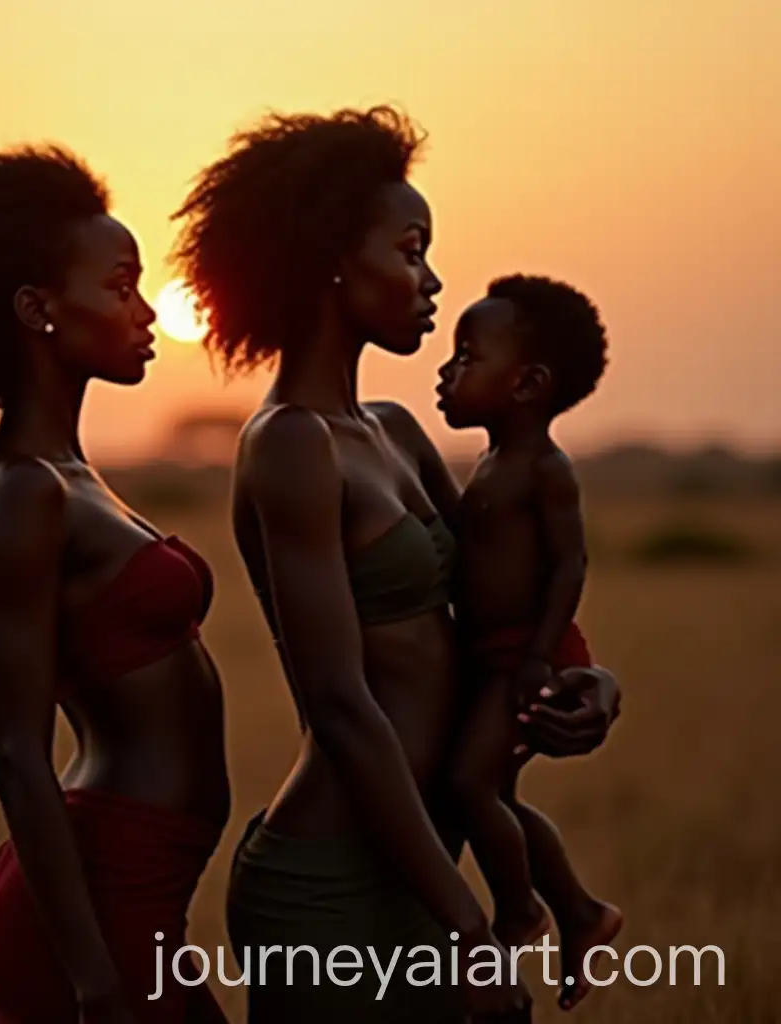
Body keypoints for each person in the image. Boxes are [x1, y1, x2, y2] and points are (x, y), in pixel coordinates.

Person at [170, 106, 622, 1022]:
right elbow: (340, 705)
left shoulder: (395, 433)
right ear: (335, 259)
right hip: (329, 886)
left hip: (423, 866)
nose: (433, 280)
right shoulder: (291, 445)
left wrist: (591, 680)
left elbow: (491, 607)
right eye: (411, 249)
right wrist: (468, 933)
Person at [0, 145, 230, 1024]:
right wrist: (92, 976)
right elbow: (15, 755)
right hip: (97, 908)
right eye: (119, 285)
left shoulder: (65, 470)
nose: (147, 311)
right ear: (37, 308)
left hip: (133, 888)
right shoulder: (26, 490)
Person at [437, 276, 623, 1010]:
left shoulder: (545, 469)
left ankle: (523, 911)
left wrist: (542, 657)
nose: (446, 372)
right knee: (498, 796)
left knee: (467, 787)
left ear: (528, 383)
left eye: (466, 356)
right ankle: (580, 911)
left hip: (527, 657)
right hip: (497, 657)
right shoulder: (484, 466)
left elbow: (570, 563)